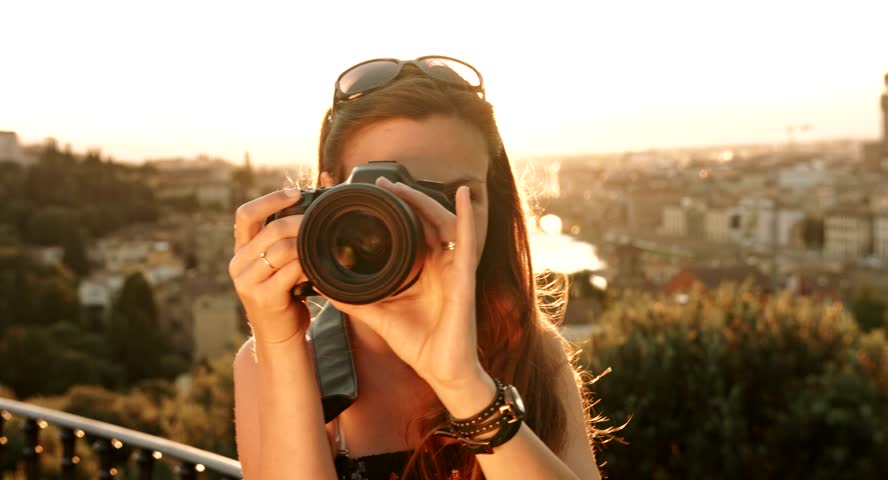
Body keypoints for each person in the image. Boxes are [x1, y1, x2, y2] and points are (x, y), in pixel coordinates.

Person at [230, 55, 603, 479]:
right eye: (394, 197)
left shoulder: (531, 350)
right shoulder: (270, 360)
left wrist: (464, 384)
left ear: (492, 204)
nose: (427, 225)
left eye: (457, 198)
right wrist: (280, 344)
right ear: (330, 196)